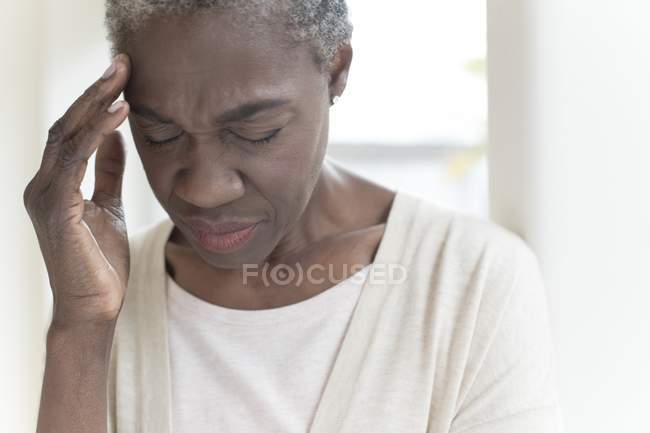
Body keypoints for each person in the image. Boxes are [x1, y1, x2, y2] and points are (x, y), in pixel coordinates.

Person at [23, 1, 565, 432]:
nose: (205, 189)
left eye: (256, 133)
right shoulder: (108, 292)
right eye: (160, 135)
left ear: (336, 70)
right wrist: (81, 327)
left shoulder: (468, 281)